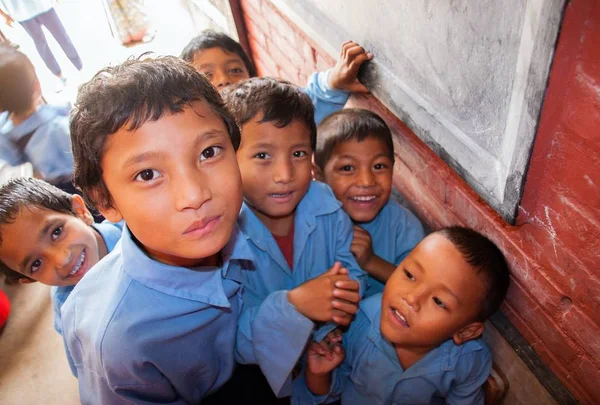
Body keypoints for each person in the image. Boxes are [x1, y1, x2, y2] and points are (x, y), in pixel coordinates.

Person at [62, 55, 252, 404]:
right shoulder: (121, 347)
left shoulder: (241, 226)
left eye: (209, 152)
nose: (195, 195)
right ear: (106, 201)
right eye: (148, 175)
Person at [222, 77, 368, 398]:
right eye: (263, 156)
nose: (285, 174)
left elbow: (351, 271)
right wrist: (294, 307)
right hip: (257, 376)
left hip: (324, 354)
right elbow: (229, 342)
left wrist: (341, 303)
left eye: (299, 153)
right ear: (229, 161)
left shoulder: (325, 204)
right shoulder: (220, 237)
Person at [295, 227, 511, 405]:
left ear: (465, 331)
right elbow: (332, 392)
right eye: (409, 275)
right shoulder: (356, 324)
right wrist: (318, 375)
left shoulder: (468, 362)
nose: (411, 298)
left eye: (438, 301)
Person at [0, 178, 123, 374]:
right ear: (29, 279)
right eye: (36, 264)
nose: (61, 260)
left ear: (80, 212)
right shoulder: (69, 312)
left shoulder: (139, 230)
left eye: (56, 232)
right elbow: (88, 369)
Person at [313, 108, 424, 297]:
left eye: (379, 166)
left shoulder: (404, 227)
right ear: (320, 176)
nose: (366, 181)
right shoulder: (307, 221)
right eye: (347, 168)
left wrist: (370, 261)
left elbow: (419, 289)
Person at [181, 30, 372, 124]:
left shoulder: (265, 114)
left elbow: (305, 105)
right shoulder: (196, 140)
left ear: (252, 79)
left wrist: (334, 83)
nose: (223, 79)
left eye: (235, 70)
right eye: (208, 75)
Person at [0, 44, 74, 192]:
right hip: (77, 183)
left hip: (51, 189)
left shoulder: (3, 132)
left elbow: (15, 161)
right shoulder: (60, 125)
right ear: (37, 85)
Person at [0, 0, 82, 84]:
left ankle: (79, 67)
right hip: (22, 13)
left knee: (61, 36)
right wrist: (4, 15)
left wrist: (5, 15)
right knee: (43, 44)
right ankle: (60, 75)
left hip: (41, 5)